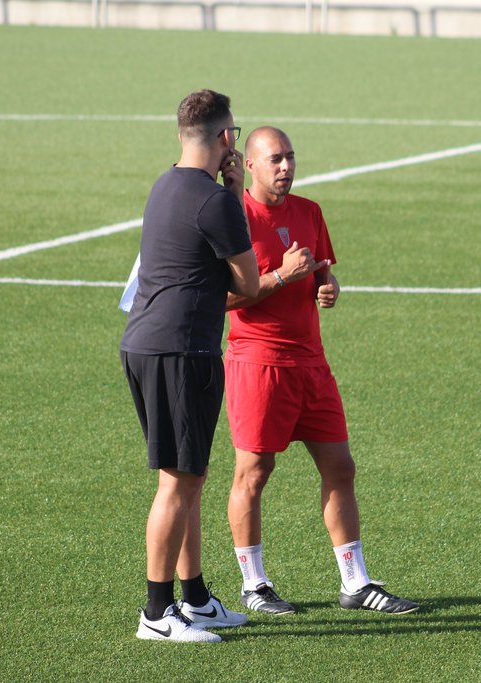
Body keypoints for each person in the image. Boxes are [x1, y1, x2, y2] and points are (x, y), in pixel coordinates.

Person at [224, 127, 419, 615]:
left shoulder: (309, 212)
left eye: (290, 157)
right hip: (258, 363)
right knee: (254, 472)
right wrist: (280, 276)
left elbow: (322, 274)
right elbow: (220, 298)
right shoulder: (235, 217)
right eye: (275, 159)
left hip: (311, 363)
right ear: (251, 164)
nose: (286, 167)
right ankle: (253, 585)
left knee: (340, 467)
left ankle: (355, 583)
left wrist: (327, 289)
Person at [120, 89, 260, 643]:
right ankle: (157, 613)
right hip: (181, 352)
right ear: (226, 138)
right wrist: (234, 195)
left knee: (188, 477)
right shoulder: (216, 202)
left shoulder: (164, 185)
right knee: (177, 484)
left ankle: (196, 600)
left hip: (148, 345)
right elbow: (249, 283)